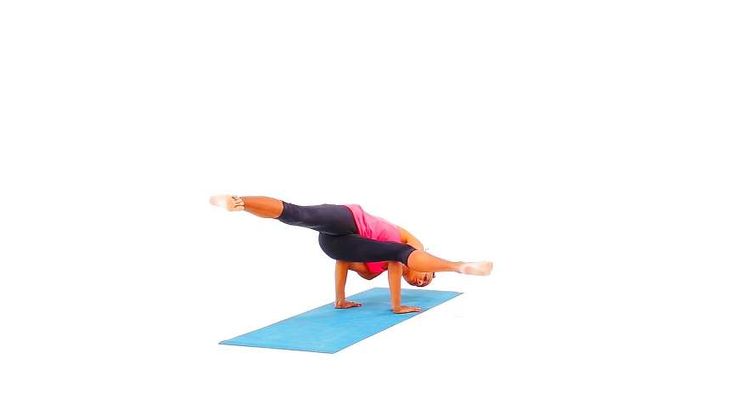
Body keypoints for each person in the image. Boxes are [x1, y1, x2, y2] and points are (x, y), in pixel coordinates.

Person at [209, 195, 493, 314]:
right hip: (349, 218)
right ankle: (239, 202)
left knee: (398, 254)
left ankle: (458, 267)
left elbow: (344, 262)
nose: (421, 282)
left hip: (336, 246)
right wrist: (396, 306)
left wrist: (340, 299)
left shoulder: (379, 264)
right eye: (427, 278)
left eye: (420, 284)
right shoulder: (412, 244)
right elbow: (410, 255)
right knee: (299, 214)